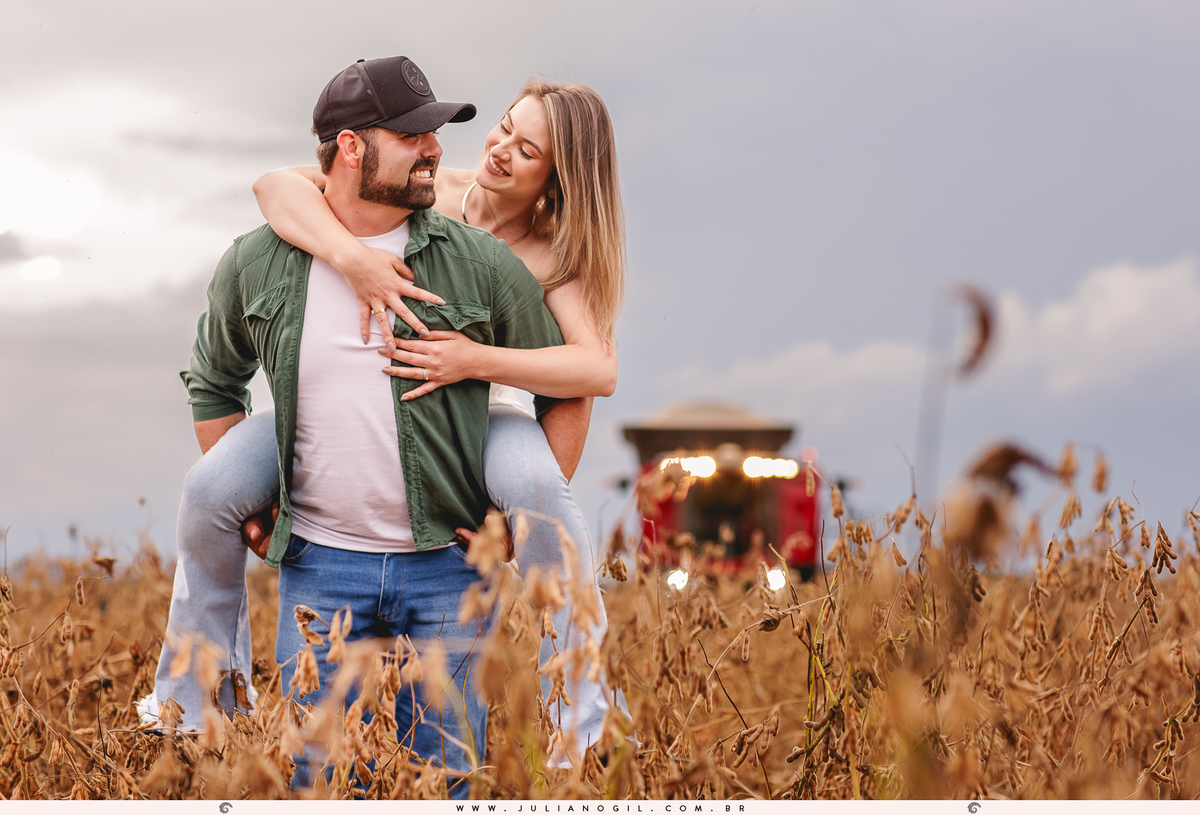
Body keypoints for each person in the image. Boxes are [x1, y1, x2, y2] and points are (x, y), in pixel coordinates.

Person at [161, 56, 573, 796]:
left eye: (435, 134)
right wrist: (255, 503)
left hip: (450, 571)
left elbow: (564, 381)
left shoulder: (476, 263)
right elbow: (214, 379)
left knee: (446, 784)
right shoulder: (258, 262)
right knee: (316, 784)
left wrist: (512, 523)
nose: (435, 150)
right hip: (320, 574)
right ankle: (191, 706)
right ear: (351, 147)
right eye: (414, 134)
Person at [250, 77, 628, 762]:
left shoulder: (551, 254)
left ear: (558, 176)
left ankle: (585, 715)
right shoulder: (436, 190)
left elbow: (595, 372)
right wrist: (355, 259)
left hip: (488, 417)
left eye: (528, 148)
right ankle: (189, 692)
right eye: (506, 128)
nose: (502, 149)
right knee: (213, 492)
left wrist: (475, 362)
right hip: (381, 411)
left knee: (547, 503)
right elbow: (276, 186)